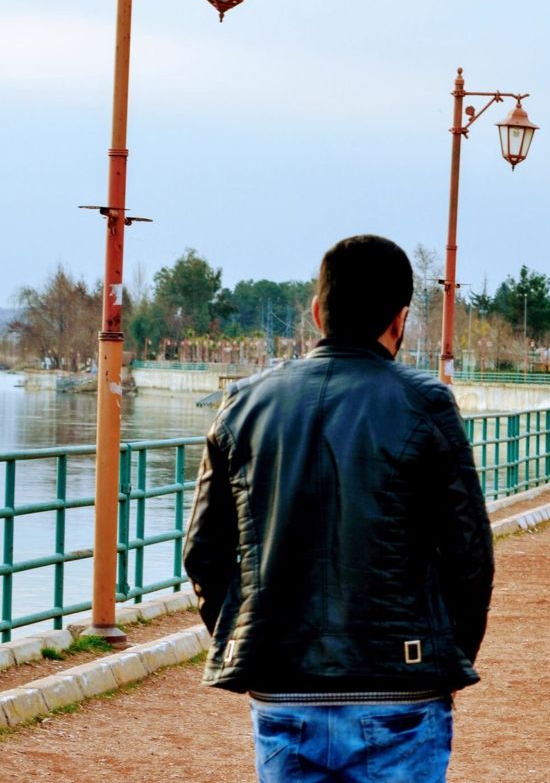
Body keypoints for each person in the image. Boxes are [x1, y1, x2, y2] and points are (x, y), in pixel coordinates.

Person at [183, 234, 494, 783]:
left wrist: (255, 639)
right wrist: (440, 655)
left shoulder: (244, 404)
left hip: (284, 691)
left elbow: (203, 555)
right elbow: (469, 556)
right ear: (399, 320)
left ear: (316, 312)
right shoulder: (425, 404)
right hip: (401, 689)